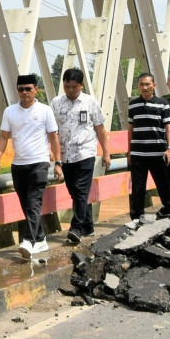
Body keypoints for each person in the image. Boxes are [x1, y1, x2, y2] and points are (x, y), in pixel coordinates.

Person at [0, 74, 61, 259]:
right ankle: (40, 239)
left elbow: (54, 137)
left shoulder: (45, 110)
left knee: (33, 203)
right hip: (18, 165)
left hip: (39, 162)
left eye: (28, 89)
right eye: (21, 89)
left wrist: (58, 163)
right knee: (26, 205)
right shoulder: (10, 111)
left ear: (35, 90)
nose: (24, 92)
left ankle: (28, 241)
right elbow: (4, 137)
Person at [50, 68, 111, 244]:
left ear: (81, 85)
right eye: (67, 86)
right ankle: (88, 226)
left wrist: (106, 153)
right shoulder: (56, 103)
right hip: (65, 154)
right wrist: (54, 155)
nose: (70, 90)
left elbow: (100, 129)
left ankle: (76, 228)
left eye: (74, 87)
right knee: (75, 191)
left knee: (81, 189)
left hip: (86, 152)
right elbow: (52, 131)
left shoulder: (90, 102)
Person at [126, 72, 170, 226]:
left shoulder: (162, 104)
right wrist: (129, 151)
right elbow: (130, 129)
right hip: (138, 153)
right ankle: (136, 218)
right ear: (138, 87)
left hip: (158, 153)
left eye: (148, 84)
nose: (145, 87)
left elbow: (168, 127)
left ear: (154, 85)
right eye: (141, 84)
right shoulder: (133, 105)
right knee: (137, 188)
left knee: (164, 185)